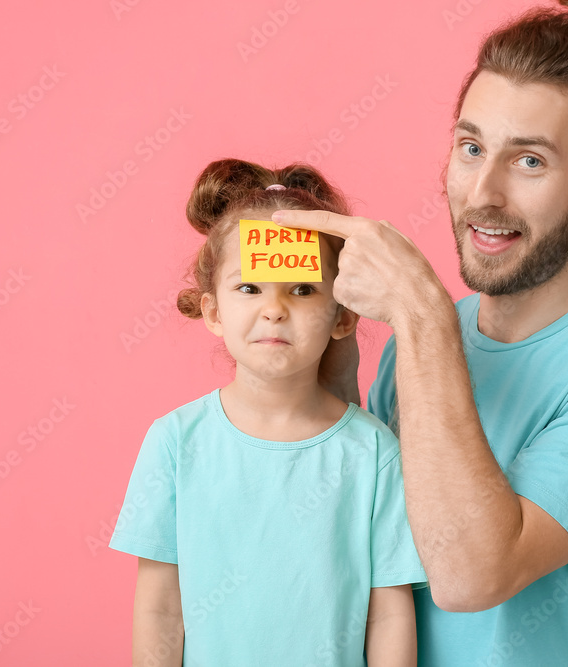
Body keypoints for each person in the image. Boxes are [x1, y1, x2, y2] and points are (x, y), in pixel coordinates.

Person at [274, 0, 568, 664]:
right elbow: (372, 563)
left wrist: (420, 314)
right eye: (471, 147)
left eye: (529, 161)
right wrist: (332, 375)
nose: (484, 192)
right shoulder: (416, 346)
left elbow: (473, 573)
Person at [109, 158, 426, 666]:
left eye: (302, 290)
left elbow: (388, 613)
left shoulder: (374, 454)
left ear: (342, 316)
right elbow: (161, 607)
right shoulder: (175, 441)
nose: (274, 309)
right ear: (213, 311)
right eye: (250, 288)